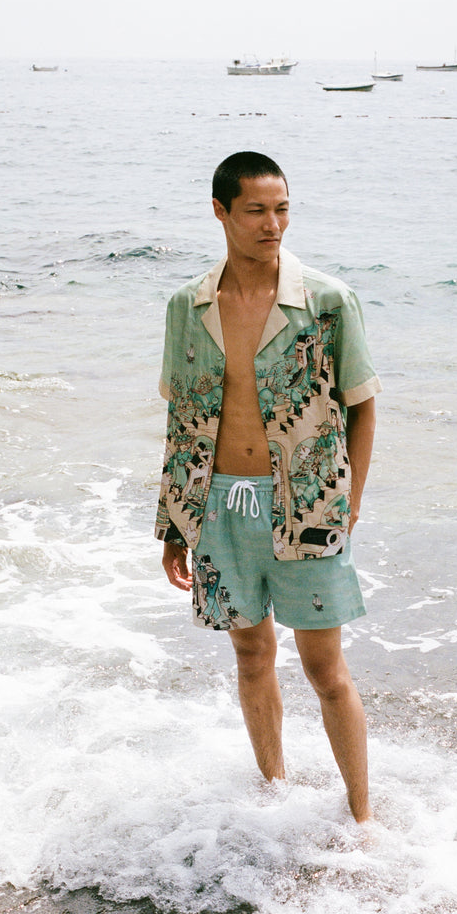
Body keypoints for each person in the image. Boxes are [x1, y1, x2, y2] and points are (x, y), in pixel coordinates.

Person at [155, 152, 382, 822]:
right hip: (219, 504)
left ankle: (362, 817)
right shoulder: (187, 307)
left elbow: (363, 404)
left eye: (281, 209)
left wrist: (352, 500)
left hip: (307, 504)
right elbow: (182, 418)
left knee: (325, 670)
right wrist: (172, 521)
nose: (272, 224)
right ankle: (273, 792)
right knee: (251, 655)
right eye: (255, 210)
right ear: (221, 212)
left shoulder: (327, 301)